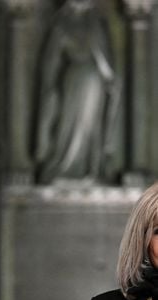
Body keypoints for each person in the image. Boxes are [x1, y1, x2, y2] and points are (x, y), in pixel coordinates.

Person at [33, 0, 118, 184]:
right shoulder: (61, 23)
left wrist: (110, 78)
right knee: (67, 124)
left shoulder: (95, 23)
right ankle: (64, 167)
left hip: (93, 81)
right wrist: (50, 90)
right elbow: (50, 62)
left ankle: (91, 169)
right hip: (71, 79)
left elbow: (104, 57)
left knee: (90, 125)